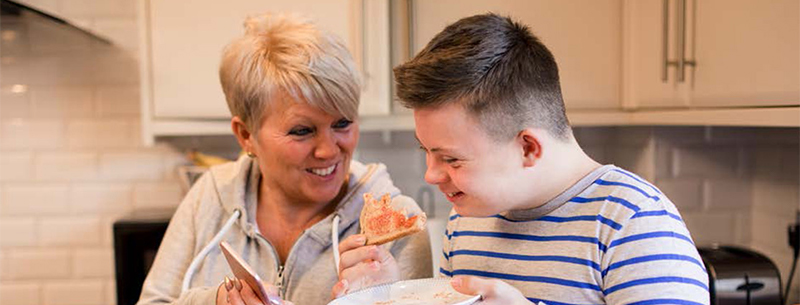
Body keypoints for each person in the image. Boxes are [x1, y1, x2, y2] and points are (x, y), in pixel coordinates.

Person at [387, 13, 709, 304]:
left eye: (451, 160)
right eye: (425, 151)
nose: (430, 175)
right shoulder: (465, 222)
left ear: (528, 148)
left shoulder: (633, 222)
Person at [136, 13, 432, 305]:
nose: (328, 150)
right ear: (245, 135)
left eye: (342, 123)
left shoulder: (397, 227)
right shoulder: (209, 197)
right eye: (302, 131)